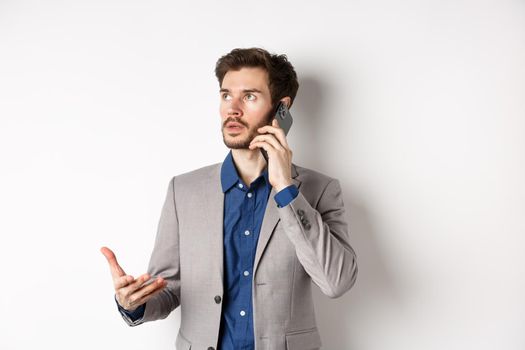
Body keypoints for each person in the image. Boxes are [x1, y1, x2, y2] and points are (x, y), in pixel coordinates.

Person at [101, 47, 358, 350]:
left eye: (249, 96)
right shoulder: (182, 191)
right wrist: (134, 303)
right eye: (226, 95)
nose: (232, 109)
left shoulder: (320, 190)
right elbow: (168, 289)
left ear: (281, 109)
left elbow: (336, 282)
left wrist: (286, 189)